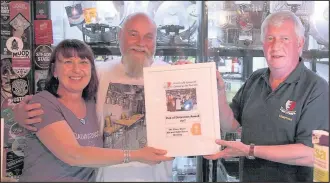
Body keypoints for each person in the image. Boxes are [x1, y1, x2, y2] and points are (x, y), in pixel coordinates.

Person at [13, 13, 177, 182]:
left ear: (156, 40)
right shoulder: (98, 72)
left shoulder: (172, 74)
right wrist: (21, 113)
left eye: (148, 36)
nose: (141, 43)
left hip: (158, 176)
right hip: (105, 177)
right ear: (120, 35)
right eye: (133, 34)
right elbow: (64, 99)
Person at [204, 11, 329, 182]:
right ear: (263, 44)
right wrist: (219, 93)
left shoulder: (317, 89)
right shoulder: (255, 79)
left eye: (285, 38)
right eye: (270, 38)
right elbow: (230, 125)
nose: (276, 46)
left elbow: (312, 154)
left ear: (300, 43)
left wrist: (250, 150)